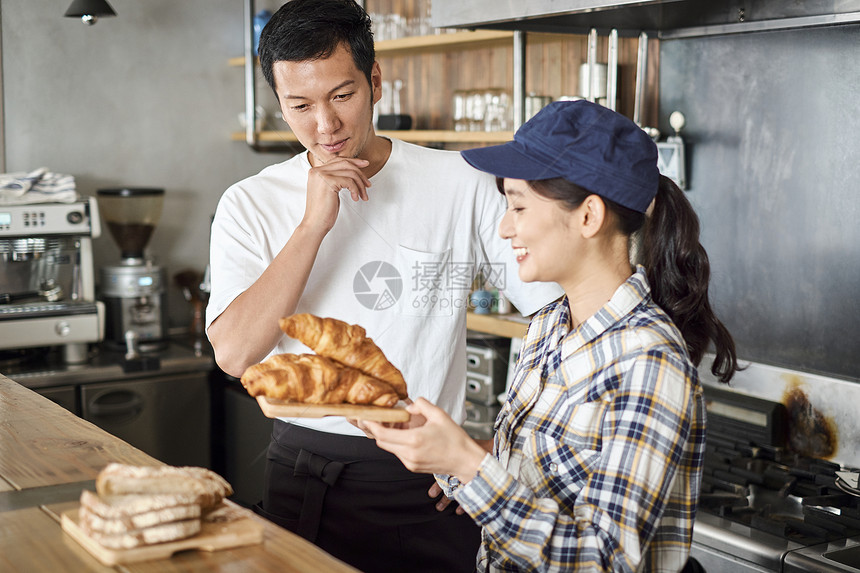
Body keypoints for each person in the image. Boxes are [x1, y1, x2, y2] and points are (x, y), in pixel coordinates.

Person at [205, 1, 562, 571]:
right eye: (300, 106)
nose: (325, 126)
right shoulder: (249, 203)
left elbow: (558, 317)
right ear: (280, 105)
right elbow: (234, 354)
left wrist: (502, 447)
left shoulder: (458, 181)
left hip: (425, 476)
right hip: (303, 474)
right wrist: (312, 226)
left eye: (341, 96)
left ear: (375, 82)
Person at [364, 100, 740, 572]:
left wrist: (466, 466)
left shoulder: (649, 361)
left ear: (588, 217)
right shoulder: (548, 326)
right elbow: (526, 480)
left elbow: (606, 560)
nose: (504, 227)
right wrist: (432, 445)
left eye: (518, 205)